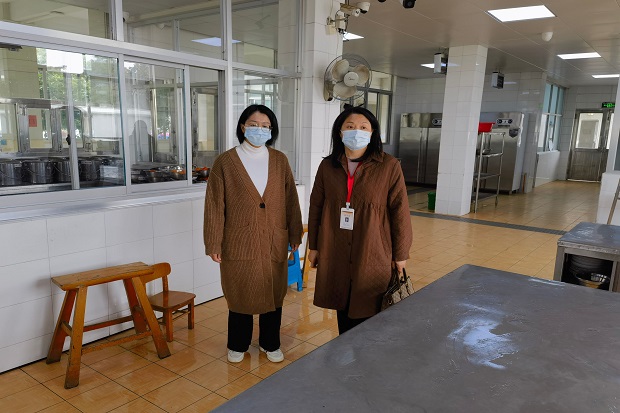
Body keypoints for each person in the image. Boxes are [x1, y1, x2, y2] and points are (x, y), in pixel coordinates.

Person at [204, 104, 303, 363]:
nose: (260, 129)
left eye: (266, 126)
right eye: (254, 124)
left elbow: (291, 200)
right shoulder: (225, 162)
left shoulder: (279, 160)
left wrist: (295, 233)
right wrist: (213, 242)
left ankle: (271, 343)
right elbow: (214, 205)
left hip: (274, 238)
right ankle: (238, 344)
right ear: (242, 127)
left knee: (273, 291)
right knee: (241, 291)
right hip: (239, 240)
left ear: (272, 130)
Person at [307, 106, 412, 334]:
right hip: (335, 245)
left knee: (370, 306)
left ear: (373, 133)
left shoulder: (389, 166)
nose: (357, 132)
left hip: (373, 246)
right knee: (342, 303)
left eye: (364, 127)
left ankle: (367, 353)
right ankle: (346, 350)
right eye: (350, 126)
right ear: (340, 132)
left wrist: (400, 254)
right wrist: (314, 246)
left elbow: (400, 212)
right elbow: (316, 206)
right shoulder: (328, 166)